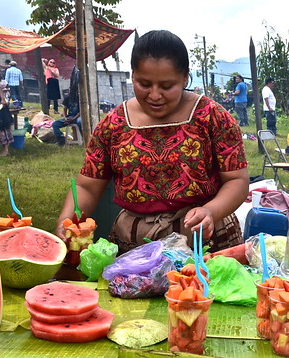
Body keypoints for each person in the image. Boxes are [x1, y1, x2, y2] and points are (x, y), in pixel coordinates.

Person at [55, 29, 249, 256]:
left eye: (167, 86)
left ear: (185, 78)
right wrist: (66, 221)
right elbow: (87, 185)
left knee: (199, 292)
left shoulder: (211, 116)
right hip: (134, 246)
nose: (155, 95)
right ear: (133, 76)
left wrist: (210, 211)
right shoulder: (113, 124)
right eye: (144, 84)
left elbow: (237, 181)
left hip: (204, 242)